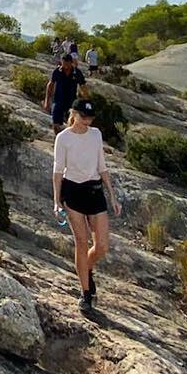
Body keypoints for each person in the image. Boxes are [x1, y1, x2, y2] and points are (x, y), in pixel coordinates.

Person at [52, 99, 121, 312]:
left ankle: (86, 268)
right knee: (81, 241)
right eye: (84, 117)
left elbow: (102, 165)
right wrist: (56, 201)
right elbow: (57, 171)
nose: (87, 121)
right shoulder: (63, 138)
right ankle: (85, 293)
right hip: (73, 191)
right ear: (74, 114)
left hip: (94, 190)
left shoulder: (95, 134)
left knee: (102, 245)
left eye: (90, 118)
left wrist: (112, 196)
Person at [43, 52, 87, 134]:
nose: (65, 67)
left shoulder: (77, 73)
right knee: (55, 123)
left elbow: (83, 87)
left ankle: (69, 141)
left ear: (71, 63)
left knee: (71, 123)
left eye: (67, 64)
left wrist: (85, 101)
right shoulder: (57, 71)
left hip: (71, 101)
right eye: (63, 64)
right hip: (58, 100)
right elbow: (50, 85)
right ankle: (58, 139)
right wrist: (47, 101)